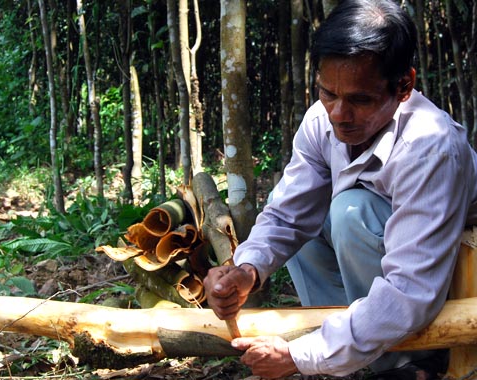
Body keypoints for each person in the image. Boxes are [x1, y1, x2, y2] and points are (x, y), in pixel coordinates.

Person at [204, 0, 477, 379]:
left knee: (351, 212)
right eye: (327, 92)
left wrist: (302, 357)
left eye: (359, 100)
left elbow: (410, 288)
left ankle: (408, 361)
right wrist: (247, 269)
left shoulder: (431, 146)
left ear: (404, 86)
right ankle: (347, 354)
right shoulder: (322, 121)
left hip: (443, 271)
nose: (338, 114)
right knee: (311, 222)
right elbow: (287, 214)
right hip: (387, 270)